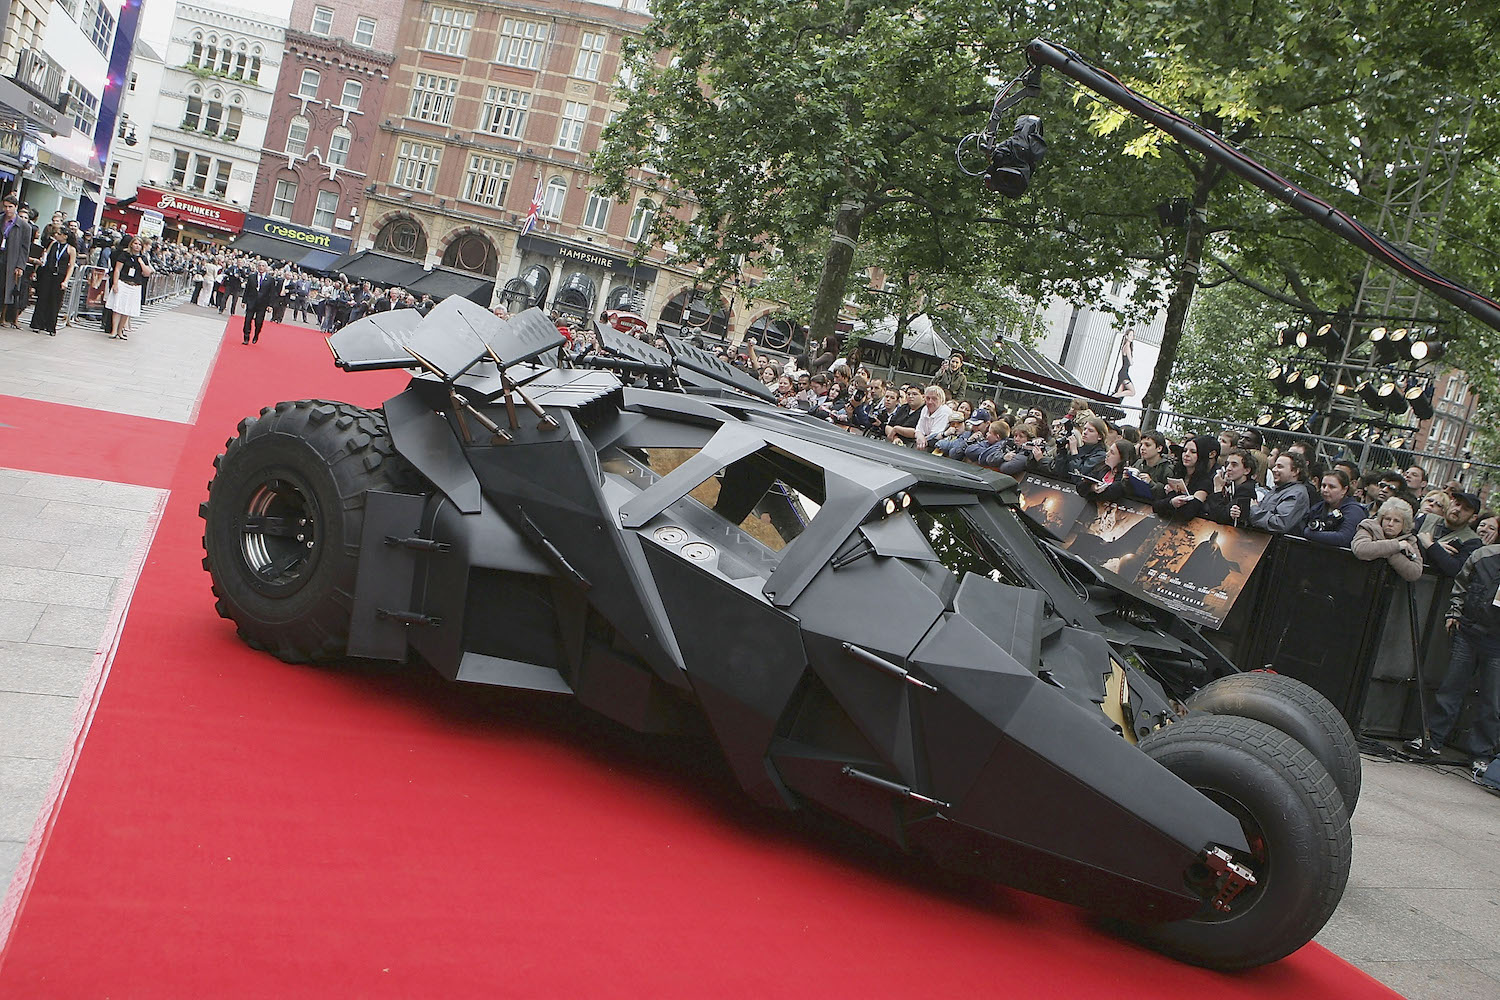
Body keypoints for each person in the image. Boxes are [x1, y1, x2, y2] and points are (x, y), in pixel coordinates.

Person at [1409, 536, 1500, 761]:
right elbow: (1461, 584)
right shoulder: (1484, 555)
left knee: (1492, 702)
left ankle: (1481, 754)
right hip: (1469, 632)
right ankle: (1432, 738)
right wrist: (1454, 612)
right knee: (1450, 689)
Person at [1351, 498, 1424, 582]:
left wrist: (1389, 552)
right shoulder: (1369, 526)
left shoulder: (1409, 539)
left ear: (1404, 524)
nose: (1390, 524)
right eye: (1387, 519)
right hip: (1359, 581)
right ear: (1381, 518)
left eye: (1397, 521)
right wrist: (1397, 546)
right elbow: (1360, 549)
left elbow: (1415, 572)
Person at [1417, 489, 1482, 577]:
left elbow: (1456, 569)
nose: (1458, 509)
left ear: (1473, 518)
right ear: (1450, 504)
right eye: (1457, 504)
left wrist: (1430, 545)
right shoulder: (1426, 519)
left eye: (1465, 509)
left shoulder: (1472, 541)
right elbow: (1403, 542)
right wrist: (1433, 547)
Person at [1243, 452, 1310, 533]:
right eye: (1275, 466)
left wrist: (1253, 509)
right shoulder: (1277, 489)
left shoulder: (1297, 494)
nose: (1274, 469)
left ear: (1295, 471)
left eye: (1280, 467)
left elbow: (1279, 524)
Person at [1154, 435, 1219, 520]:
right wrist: (1171, 502)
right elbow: (1156, 506)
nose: (1187, 454)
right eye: (1185, 450)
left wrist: (1171, 496)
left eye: (1193, 452)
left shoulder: (1205, 481)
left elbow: (1188, 512)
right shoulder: (1177, 474)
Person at [1297, 469, 1365, 548]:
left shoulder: (1354, 511)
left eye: (1332, 487)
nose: (1325, 490)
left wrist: (1310, 534)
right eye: (1323, 486)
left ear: (1344, 490)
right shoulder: (1317, 508)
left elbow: (1344, 538)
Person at [28, 225, 74, 337]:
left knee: (55, 301)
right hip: (48, 273)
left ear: (65, 236)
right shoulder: (53, 244)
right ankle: (37, 324)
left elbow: (71, 266)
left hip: (60, 276)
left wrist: (66, 280)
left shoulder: (71, 249)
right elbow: (46, 256)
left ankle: (51, 325)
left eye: (59, 234)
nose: (56, 235)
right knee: (42, 298)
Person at [104, 235, 151, 340]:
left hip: (135, 285)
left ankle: (121, 330)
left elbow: (147, 273)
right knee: (117, 307)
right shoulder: (124, 255)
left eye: (139, 244)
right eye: (135, 243)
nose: (137, 246)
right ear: (131, 244)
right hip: (123, 282)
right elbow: (117, 270)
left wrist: (141, 262)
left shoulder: (143, 258)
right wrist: (115, 284)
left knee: (127, 309)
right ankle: (114, 330)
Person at [0, 194, 34, 328]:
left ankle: (4, 317)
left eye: (10, 207)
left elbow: (25, 248)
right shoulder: (1, 219)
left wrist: (20, 265)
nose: (7, 210)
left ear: (15, 207)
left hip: (11, 260)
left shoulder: (25, 227)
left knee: (7, 288)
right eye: (5, 206)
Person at [1204, 448, 1259, 526]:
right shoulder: (1233, 486)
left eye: (1234, 465)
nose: (1228, 468)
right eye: (1227, 464)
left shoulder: (1246, 490)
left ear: (1246, 470)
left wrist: (1218, 489)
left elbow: (1220, 516)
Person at [1054, 416, 1108, 481]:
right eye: (1084, 429)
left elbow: (1078, 476)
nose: (1085, 432)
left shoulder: (1101, 455)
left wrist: (1074, 452)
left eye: (1090, 431)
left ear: (1100, 436)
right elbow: (1059, 471)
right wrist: (1062, 450)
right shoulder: (1081, 449)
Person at [241, 260, 279, 344]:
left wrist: (270, 305)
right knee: (248, 320)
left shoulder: (270, 279)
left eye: (263, 266)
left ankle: (256, 334)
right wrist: (244, 301)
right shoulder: (251, 277)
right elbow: (247, 290)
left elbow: (272, 293)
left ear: (266, 268)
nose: (261, 267)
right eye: (260, 265)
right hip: (251, 302)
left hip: (262, 304)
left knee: (258, 321)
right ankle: (246, 337)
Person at [1112, 328, 1135, 398]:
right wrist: (1132, 360)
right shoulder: (1127, 347)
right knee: (1132, 392)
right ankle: (1115, 395)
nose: (1132, 337)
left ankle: (1114, 397)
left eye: (1133, 335)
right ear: (1126, 336)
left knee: (1119, 394)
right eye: (1130, 335)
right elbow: (1131, 362)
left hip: (1123, 372)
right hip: (1124, 373)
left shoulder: (1125, 346)